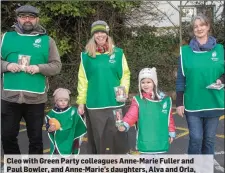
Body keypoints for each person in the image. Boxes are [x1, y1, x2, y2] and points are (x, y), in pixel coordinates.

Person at [1, 4, 61, 173]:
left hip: (36, 99)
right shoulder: (5, 37)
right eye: (24, 16)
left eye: (31, 17)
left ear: (37, 19)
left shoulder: (47, 41)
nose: (27, 20)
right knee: (8, 136)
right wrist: (5, 66)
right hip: (9, 98)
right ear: (17, 18)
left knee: (35, 139)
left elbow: (56, 66)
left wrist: (39, 67)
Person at [176, 14, 224, 173]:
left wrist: (222, 80)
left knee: (209, 140)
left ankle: (206, 172)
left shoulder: (220, 49)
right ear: (193, 30)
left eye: (202, 25)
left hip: (214, 101)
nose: (199, 28)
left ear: (208, 27)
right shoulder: (185, 52)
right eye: (195, 26)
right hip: (193, 103)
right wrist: (179, 102)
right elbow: (181, 78)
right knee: (196, 138)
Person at [76, 20, 130, 154]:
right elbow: (83, 80)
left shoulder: (118, 53)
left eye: (103, 32)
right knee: (98, 138)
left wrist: (123, 91)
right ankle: (102, 169)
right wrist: (81, 101)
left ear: (107, 34)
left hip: (115, 103)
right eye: (96, 33)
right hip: (95, 105)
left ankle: (120, 165)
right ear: (93, 35)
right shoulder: (86, 56)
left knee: (119, 134)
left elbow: (125, 75)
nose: (100, 35)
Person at [119, 67, 176, 152]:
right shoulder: (138, 100)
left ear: (154, 82)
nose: (145, 85)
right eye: (143, 82)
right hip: (146, 141)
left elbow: (169, 118)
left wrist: (171, 132)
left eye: (148, 82)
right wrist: (125, 124)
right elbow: (131, 114)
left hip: (161, 140)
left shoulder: (165, 100)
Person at [45, 88, 87, 155]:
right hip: (59, 139)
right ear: (56, 101)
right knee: (59, 154)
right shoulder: (52, 114)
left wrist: (81, 114)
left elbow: (79, 120)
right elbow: (48, 126)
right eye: (60, 100)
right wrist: (50, 128)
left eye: (66, 100)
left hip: (71, 137)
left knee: (71, 154)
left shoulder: (73, 111)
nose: (63, 102)